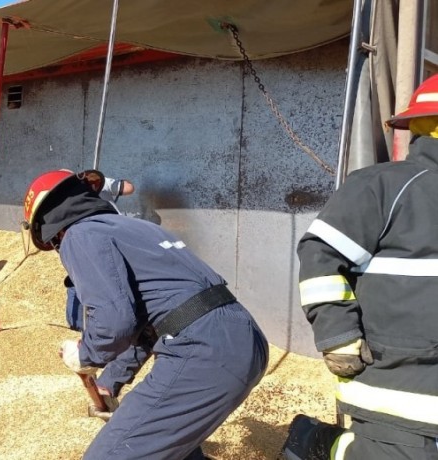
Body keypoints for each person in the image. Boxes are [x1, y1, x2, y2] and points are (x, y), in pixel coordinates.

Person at [23, 169, 268, 459]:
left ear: (52, 229)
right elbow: (155, 322)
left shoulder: (79, 235)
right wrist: (109, 381)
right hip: (242, 340)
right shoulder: (138, 229)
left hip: (203, 351)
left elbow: (116, 322)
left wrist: (86, 353)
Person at [281, 75, 438, 459]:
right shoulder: (387, 185)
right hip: (400, 384)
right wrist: (338, 335)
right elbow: (320, 254)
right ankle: (322, 447)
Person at [62, 173, 151, 420]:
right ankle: (102, 385)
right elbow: (129, 187)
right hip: (108, 259)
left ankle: (102, 386)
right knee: (130, 326)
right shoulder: (85, 225)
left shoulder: (80, 225)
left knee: (126, 325)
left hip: (103, 262)